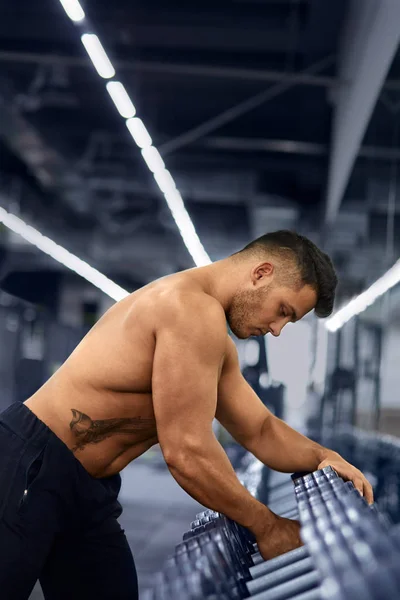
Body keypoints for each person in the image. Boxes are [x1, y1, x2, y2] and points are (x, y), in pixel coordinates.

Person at [0, 230, 373, 600]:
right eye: (283, 311)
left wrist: (323, 456)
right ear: (261, 273)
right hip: (29, 466)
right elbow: (185, 452)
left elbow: (259, 429)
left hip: (87, 489)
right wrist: (267, 526)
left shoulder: (212, 337)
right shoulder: (189, 309)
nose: (276, 330)